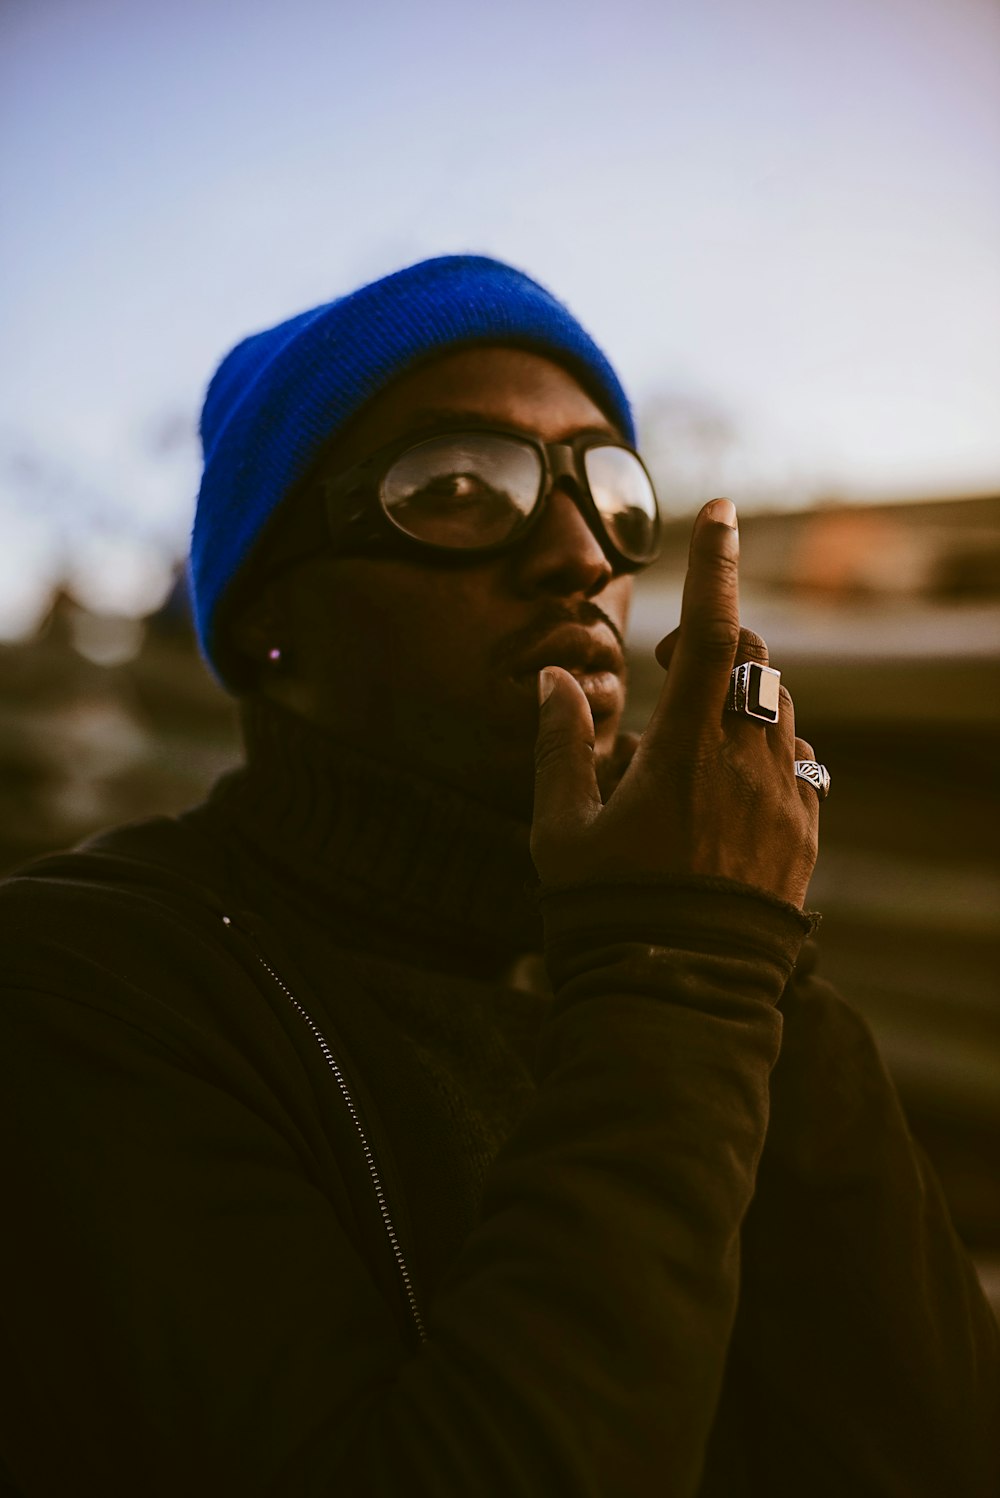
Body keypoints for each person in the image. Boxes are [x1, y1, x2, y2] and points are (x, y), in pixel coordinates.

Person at [0, 255, 995, 1498]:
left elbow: (937, 1443)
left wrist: (750, 945)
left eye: (611, 493)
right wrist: (686, 969)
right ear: (270, 621)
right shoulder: (92, 983)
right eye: (460, 487)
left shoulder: (678, 935)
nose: (579, 553)